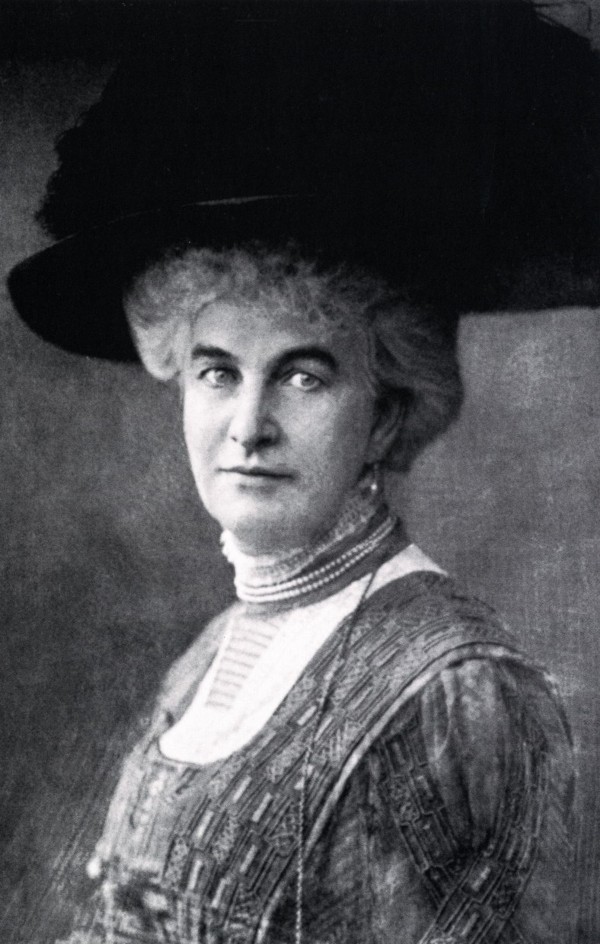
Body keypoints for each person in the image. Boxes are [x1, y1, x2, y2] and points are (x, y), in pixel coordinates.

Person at [6, 6, 589, 942]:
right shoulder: (213, 652)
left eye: (303, 376)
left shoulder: (457, 691)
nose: (248, 426)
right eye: (217, 373)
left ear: (386, 410)